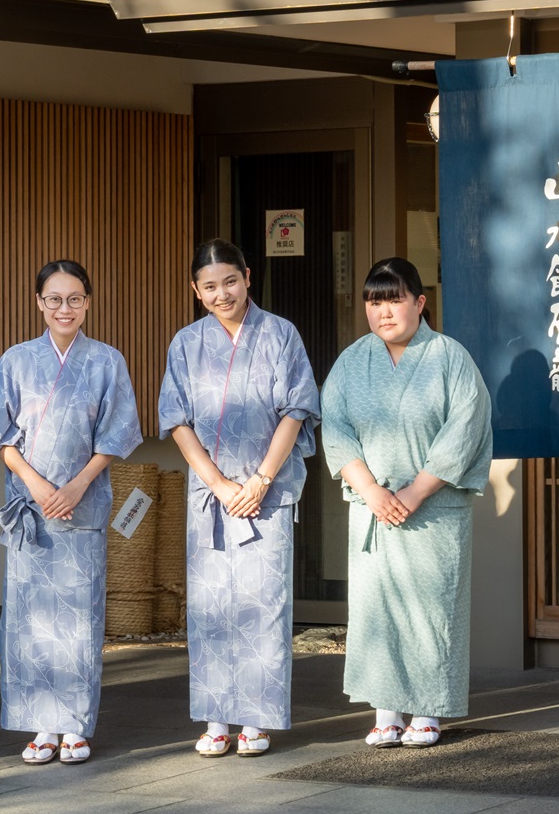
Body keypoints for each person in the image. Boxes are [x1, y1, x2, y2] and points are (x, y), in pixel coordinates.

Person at [158, 240, 320, 759]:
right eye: (209, 286)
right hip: (212, 495)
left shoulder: (281, 334)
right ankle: (215, 718)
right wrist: (219, 484)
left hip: (266, 494)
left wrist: (260, 480)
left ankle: (256, 718)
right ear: (196, 291)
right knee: (209, 607)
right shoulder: (184, 343)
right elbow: (177, 422)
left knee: (263, 605)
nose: (221, 293)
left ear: (248, 277)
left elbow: (296, 410)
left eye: (230, 281)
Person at [322, 257, 491, 749]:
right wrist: (373, 491)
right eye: (374, 301)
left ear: (420, 303)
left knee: (431, 609)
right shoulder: (353, 361)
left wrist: (415, 491)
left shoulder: (449, 357)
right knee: (376, 609)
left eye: (394, 299)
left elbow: (465, 428)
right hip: (373, 506)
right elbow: (335, 427)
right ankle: (386, 710)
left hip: (433, 509)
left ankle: (429, 710)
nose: (383, 311)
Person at [0, 260, 142, 765]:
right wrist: (37, 484)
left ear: (88, 303)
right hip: (30, 507)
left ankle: (73, 727)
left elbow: (117, 434)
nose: (64, 308)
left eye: (74, 298)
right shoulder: (15, 360)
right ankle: (40, 728)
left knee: (79, 620)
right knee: (28, 622)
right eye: (54, 299)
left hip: (82, 504)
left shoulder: (106, 361)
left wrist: (75, 485)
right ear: (39, 303)